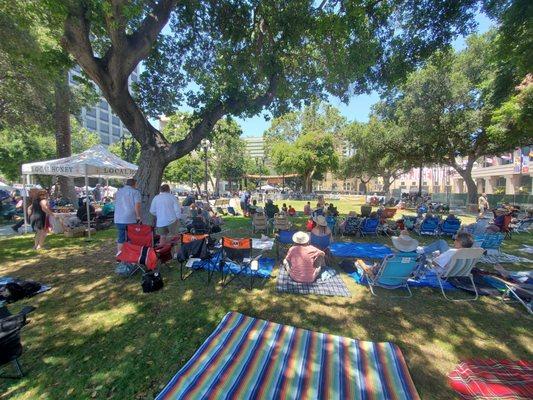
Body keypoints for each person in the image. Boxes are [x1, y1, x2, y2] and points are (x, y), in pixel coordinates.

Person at [114, 178, 141, 252]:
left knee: (121, 237)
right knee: (132, 237)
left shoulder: (118, 192)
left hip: (118, 218)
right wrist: (138, 216)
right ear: (134, 184)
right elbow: (137, 205)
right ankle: (129, 255)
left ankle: (119, 254)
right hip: (129, 218)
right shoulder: (135, 192)